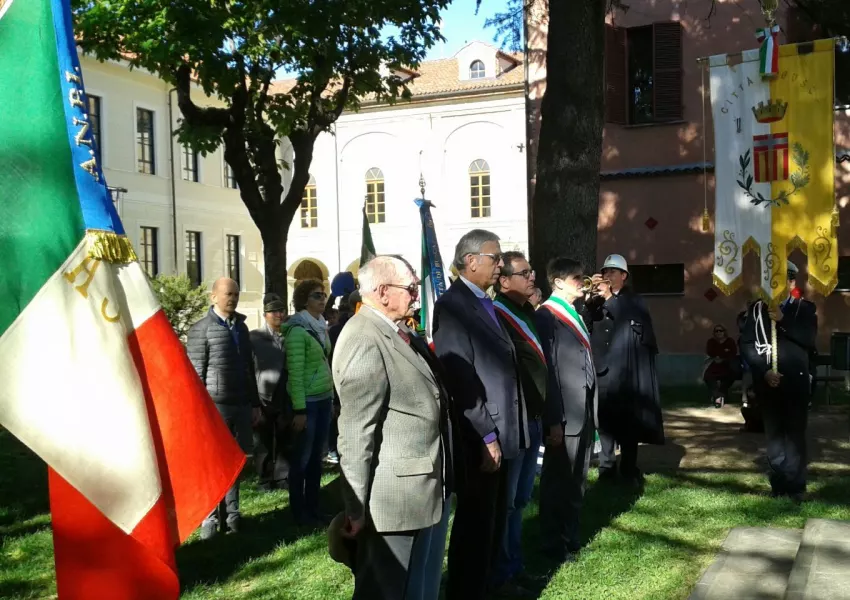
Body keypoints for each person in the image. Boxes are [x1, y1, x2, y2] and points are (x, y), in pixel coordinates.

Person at [333, 256, 453, 600]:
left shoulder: (392, 330)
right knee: (386, 592)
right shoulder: (364, 337)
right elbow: (356, 434)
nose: (416, 295)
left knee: (414, 589)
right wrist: (354, 509)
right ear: (383, 292)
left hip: (418, 492)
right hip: (392, 503)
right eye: (411, 288)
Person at [433, 229, 527, 600]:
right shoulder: (454, 306)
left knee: (493, 520)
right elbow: (461, 378)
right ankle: (466, 590)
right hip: (479, 436)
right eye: (495, 257)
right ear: (471, 261)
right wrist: (487, 435)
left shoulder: (485, 302)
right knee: (475, 524)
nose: (500, 264)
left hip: (502, 430)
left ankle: (490, 583)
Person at [187, 277, 260, 539]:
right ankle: (209, 519)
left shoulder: (241, 328)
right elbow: (195, 374)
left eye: (236, 294)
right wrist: (199, 411)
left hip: (240, 405)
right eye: (228, 294)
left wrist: (253, 403)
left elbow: (249, 369)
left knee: (236, 463)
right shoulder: (201, 329)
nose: (233, 298)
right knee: (211, 463)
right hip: (215, 407)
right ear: (213, 297)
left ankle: (232, 515)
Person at [491, 251, 546, 596]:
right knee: (508, 502)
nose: (531, 278)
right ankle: (502, 572)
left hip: (534, 418)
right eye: (524, 273)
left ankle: (515, 564)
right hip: (514, 421)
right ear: (504, 280)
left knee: (522, 499)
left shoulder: (525, 312)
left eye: (532, 271)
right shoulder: (499, 314)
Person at [535, 257, 597, 563]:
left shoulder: (574, 313)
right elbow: (548, 371)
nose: (582, 282)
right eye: (576, 278)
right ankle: (552, 542)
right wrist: (554, 419)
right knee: (559, 480)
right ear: (557, 282)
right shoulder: (547, 316)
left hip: (582, 407)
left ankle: (571, 537)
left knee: (577, 478)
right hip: (564, 412)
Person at [739, 261, 817, 501]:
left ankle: (795, 485)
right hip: (768, 382)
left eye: (781, 279)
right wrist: (763, 371)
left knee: (794, 433)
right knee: (773, 434)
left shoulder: (804, 309)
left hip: (795, 381)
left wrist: (782, 319)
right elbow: (747, 344)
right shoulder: (757, 311)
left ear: (792, 282)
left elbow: (807, 339)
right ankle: (779, 481)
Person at [583, 254, 664, 485]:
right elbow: (586, 325)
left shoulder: (633, 300)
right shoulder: (598, 300)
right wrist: (590, 302)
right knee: (604, 421)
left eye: (612, 272)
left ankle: (629, 469)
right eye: (605, 271)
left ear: (623, 276)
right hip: (602, 368)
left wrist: (609, 298)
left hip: (626, 370)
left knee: (628, 423)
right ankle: (606, 468)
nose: (606, 276)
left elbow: (629, 321)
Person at [283, 279, 334, 526]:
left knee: (316, 459)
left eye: (323, 295)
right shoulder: (297, 331)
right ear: (304, 301)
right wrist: (300, 409)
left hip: (323, 400)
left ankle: (314, 507)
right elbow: (296, 373)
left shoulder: (319, 326)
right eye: (316, 296)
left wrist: (331, 398)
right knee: (302, 460)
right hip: (308, 404)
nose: (322, 299)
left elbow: (324, 365)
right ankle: (299, 511)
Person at [249, 294, 290, 491]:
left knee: (284, 436)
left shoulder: (290, 335)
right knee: (262, 441)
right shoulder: (255, 337)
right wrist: (253, 400)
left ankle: (282, 478)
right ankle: (265, 479)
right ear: (265, 315)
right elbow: (249, 367)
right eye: (274, 312)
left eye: (282, 311)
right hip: (263, 395)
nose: (279, 315)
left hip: (286, 394)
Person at [703, 324, 740, 408]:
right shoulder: (711, 341)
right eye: (716, 331)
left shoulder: (730, 341)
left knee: (730, 376)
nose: (719, 332)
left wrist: (722, 357)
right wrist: (722, 353)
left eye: (721, 330)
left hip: (727, 364)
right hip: (714, 363)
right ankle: (717, 395)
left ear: (724, 332)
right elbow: (710, 352)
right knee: (708, 376)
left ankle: (721, 395)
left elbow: (733, 352)